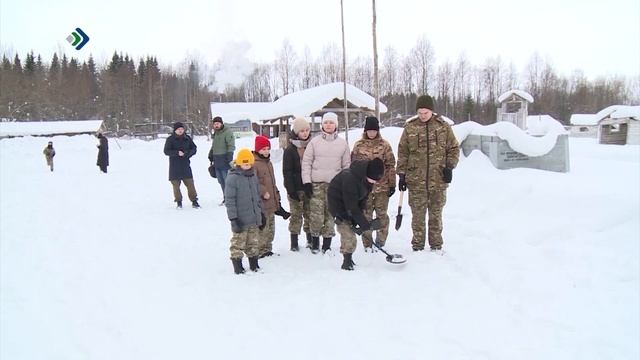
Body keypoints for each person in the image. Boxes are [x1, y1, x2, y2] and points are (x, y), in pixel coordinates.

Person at [396, 95, 459, 252]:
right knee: (417, 215)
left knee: (436, 215)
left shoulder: (443, 127)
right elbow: (403, 152)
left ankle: (436, 245)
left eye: (425, 112)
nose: (422, 115)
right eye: (420, 112)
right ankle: (417, 245)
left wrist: (449, 167)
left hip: (438, 180)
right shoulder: (410, 127)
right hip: (416, 181)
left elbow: (453, 148)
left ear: (431, 111)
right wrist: (402, 175)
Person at [301, 112, 350, 254]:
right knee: (316, 214)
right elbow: (306, 163)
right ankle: (315, 242)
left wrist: (343, 185)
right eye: (326, 122)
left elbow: (346, 166)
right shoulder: (314, 142)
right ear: (322, 124)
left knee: (330, 214)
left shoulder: (342, 144)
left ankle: (327, 244)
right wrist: (307, 182)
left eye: (331, 122)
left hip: (334, 186)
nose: (328, 125)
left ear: (336, 125)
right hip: (316, 185)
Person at [328, 158, 385, 270]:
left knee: (353, 224)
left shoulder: (367, 179)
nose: (374, 182)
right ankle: (346, 261)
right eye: (373, 179)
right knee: (347, 233)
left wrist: (359, 217)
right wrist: (363, 223)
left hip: (351, 203)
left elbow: (363, 198)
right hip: (338, 205)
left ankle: (349, 259)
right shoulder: (350, 179)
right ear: (368, 174)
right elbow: (351, 206)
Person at [351, 116, 396, 251]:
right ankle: (367, 243)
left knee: (382, 215)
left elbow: (390, 165)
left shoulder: (385, 145)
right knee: (366, 215)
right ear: (365, 131)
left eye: (374, 131)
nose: (371, 133)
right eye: (369, 131)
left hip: (382, 188)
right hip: (365, 189)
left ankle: (381, 241)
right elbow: (353, 166)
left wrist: (392, 184)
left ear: (377, 131)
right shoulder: (358, 145)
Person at [225, 148, 266, 274]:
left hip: (253, 218)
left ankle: (254, 264)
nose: (247, 166)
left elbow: (257, 197)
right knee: (238, 243)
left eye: (249, 164)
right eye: (244, 164)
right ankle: (237, 265)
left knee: (253, 242)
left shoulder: (253, 176)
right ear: (238, 163)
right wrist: (233, 219)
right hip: (241, 219)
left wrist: (261, 214)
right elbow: (230, 200)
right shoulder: (233, 178)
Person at [253, 135, 290, 258]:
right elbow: (253, 182)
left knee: (271, 228)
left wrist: (277, 196)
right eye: (263, 149)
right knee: (263, 228)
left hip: (271, 202)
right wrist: (263, 191)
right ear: (257, 150)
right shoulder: (254, 164)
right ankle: (261, 249)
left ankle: (268, 248)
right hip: (262, 203)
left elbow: (272, 183)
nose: (266, 151)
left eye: (267, 148)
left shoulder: (268, 163)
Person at [282, 117, 312, 251]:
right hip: (295, 187)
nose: (304, 133)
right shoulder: (290, 150)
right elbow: (287, 171)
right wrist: (290, 190)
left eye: (306, 130)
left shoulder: (312, 146)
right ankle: (294, 241)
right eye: (302, 131)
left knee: (309, 214)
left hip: (308, 186)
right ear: (296, 133)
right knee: (296, 215)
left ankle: (310, 239)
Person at [163, 122, 200, 209]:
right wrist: (176, 153)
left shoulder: (187, 138)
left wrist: (187, 153)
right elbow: (166, 151)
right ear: (175, 130)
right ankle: (179, 202)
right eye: (178, 129)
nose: (180, 131)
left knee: (190, 184)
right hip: (174, 166)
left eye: (182, 129)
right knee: (176, 185)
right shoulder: (170, 139)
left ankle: (194, 201)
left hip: (185, 165)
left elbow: (194, 149)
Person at [208, 116, 235, 204]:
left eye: (218, 123)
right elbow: (214, 146)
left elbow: (231, 145)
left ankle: (231, 198)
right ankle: (225, 197)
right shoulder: (216, 133)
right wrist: (211, 154)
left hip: (225, 160)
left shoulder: (227, 132)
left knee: (227, 181)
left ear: (221, 123)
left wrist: (229, 157)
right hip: (217, 161)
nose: (216, 125)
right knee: (221, 181)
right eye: (215, 124)